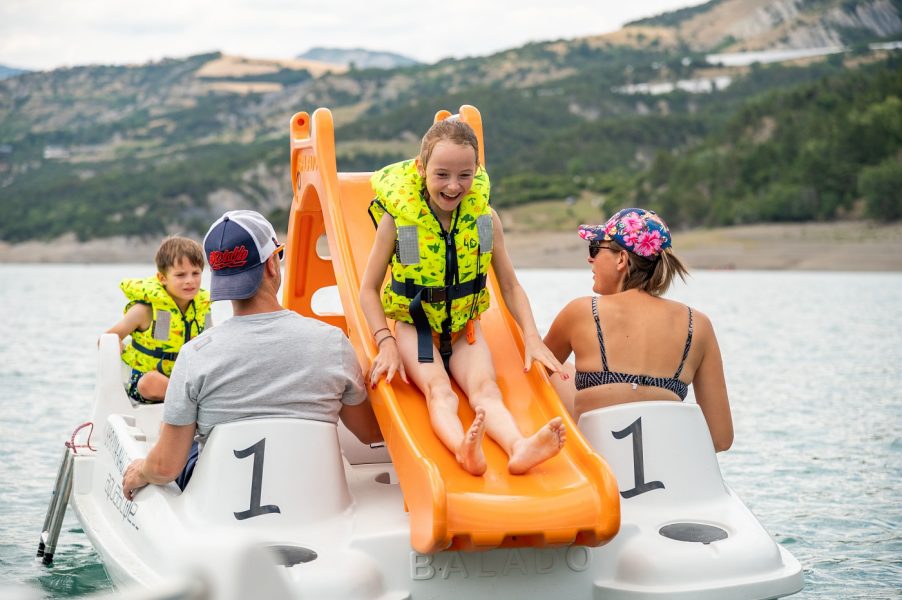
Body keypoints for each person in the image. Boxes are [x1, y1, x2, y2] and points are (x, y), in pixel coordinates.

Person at [122, 210, 382, 500]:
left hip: (224, 503)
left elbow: (166, 467)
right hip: (313, 497)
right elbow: (370, 433)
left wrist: (141, 470)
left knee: (181, 440)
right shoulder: (332, 343)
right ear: (272, 264)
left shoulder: (196, 355)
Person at [360, 119, 567, 476]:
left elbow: (511, 285)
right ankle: (462, 448)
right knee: (440, 391)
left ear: (476, 173)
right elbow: (367, 291)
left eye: (464, 175)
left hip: (464, 330)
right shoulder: (398, 223)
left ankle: (519, 448)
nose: (454, 186)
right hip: (416, 329)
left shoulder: (484, 219)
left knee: (487, 390)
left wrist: (532, 336)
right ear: (422, 169)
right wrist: (385, 342)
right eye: (441, 175)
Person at [543, 208, 733, 452]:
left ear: (621, 259)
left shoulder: (581, 312)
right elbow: (720, 439)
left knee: (558, 372)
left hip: (598, 470)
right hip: (666, 471)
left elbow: (527, 377)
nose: (590, 259)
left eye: (595, 248)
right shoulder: (698, 325)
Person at [106, 236, 211, 403]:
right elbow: (109, 338)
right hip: (147, 382)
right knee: (150, 382)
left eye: (195, 273)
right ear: (162, 278)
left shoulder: (202, 309)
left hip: (187, 380)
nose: (190, 280)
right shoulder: (145, 310)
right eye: (181, 275)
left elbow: (211, 345)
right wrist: (119, 353)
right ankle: (194, 399)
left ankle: (192, 397)